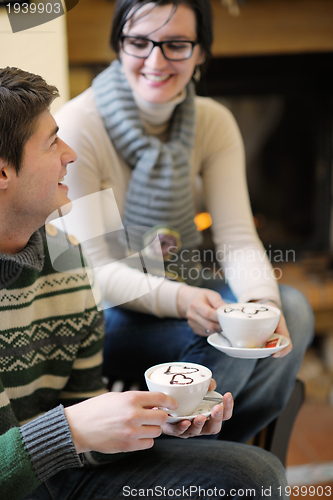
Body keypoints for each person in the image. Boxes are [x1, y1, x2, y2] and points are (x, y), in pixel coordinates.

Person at [0, 66, 291, 500]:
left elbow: (86, 412)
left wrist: (156, 423)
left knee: (256, 476)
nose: (70, 154)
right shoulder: (95, 125)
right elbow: (71, 431)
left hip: (62, 472)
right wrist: (72, 430)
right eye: (51, 142)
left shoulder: (67, 260)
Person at [55, 0, 314, 444]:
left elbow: (235, 237)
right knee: (222, 332)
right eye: (138, 42)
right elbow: (89, 271)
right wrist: (182, 298)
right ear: (119, 45)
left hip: (178, 286)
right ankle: (202, 461)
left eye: (176, 45)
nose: (155, 61)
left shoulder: (213, 122)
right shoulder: (80, 125)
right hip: (101, 315)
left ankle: (216, 452)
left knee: (288, 309)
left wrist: (260, 304)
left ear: (201, 54)